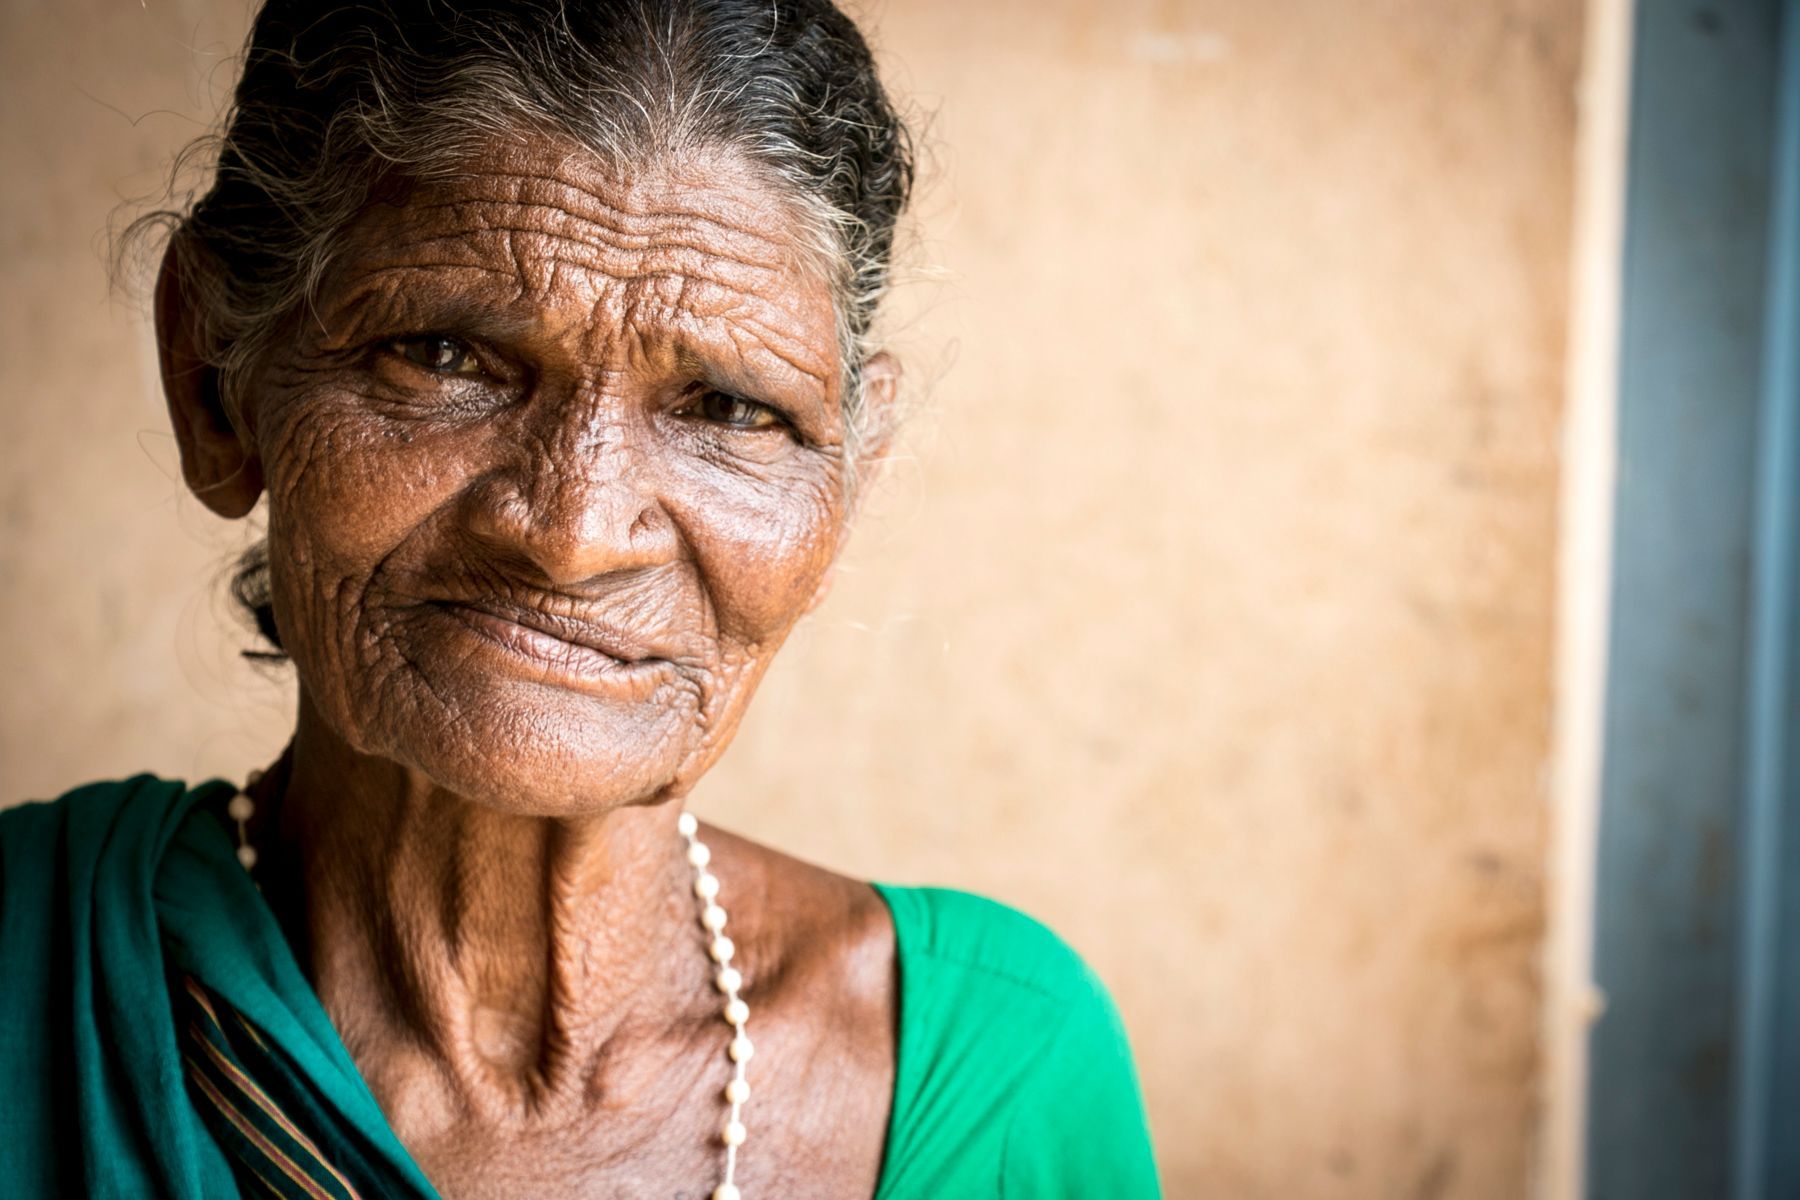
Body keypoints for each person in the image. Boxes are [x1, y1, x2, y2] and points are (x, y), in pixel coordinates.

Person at [0, 2, 1161, 1196]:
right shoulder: (21, 979)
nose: (572, 531)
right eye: (445, 354)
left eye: (728, 409)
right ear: (214, 381)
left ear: (844, 488)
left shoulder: (1001, 1079)